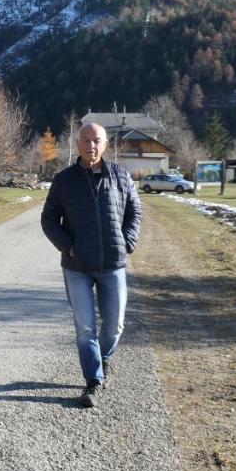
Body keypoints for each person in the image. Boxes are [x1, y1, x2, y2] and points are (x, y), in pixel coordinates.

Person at [40, 122, 142, 408]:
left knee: (115, 325)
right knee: (85, 327)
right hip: (77, 267)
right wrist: (68, 246)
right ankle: (94, 380)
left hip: (113, 264)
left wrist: (127, 242)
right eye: (86, 140)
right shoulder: (64, 180)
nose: (91, 146)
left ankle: (103, 359)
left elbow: (135, 211)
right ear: (77, 144)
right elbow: (49, 220)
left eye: (97, 140)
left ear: (105, 144)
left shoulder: (121, 176)